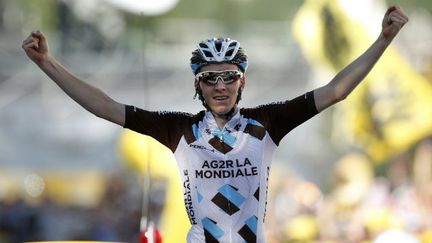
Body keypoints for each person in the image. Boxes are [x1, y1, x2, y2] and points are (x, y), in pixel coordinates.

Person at [22, 6, 408, 243]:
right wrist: (47, 64)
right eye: (210, 77)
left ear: (243, 81)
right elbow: (104, 106)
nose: (220, 86)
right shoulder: (179, 130)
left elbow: (336, 90)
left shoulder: (267, 122)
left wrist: (383, 40)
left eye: (228, 76)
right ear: (197, 84)